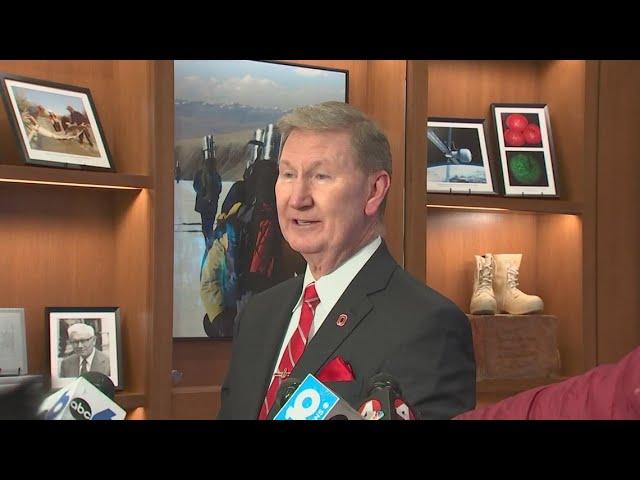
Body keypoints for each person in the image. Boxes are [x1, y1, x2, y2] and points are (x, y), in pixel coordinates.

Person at [217, 101, 476, 420]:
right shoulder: (258, 314)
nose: (298, 198)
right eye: (287, 174)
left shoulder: (429, 325)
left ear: (374, 191)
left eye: (321, 176)